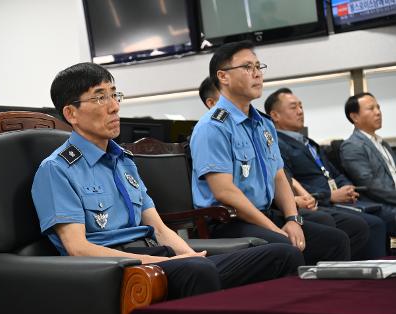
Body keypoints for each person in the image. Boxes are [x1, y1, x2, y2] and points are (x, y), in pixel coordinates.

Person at [31, 62, 303, 301]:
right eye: (100, 98)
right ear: (71, 114)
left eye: (114, 95)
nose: (114, 106)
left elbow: (159, 228)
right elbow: (77, 249)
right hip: (119, 269)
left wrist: (188, 255)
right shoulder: (57, 169)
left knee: (282, 254)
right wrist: (164, 262)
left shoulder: (123, 161)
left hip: (158, 257)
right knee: (198, 270)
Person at [190, 41, 350, 265]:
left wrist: (292, 219)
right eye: (247, 67)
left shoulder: (264, 124)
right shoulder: (213, 127)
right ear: (223, 77)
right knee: (287, 246)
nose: (257, 74)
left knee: (336, 240)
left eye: (258, 67)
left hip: (264, 214)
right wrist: (274, 229)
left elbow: (278, 175)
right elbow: (224, 192)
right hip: (228, 223)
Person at [264, 87, 388, 258]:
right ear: (275, 115)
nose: (300, 111)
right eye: (293, 107)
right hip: (316, 201)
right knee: (370, 223)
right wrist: (329, 195)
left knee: (374, 218)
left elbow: (334, 173)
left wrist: (347, 187)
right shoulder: (277, 145)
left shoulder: (309, 142)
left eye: (301, 106)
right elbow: (289, 182)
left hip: (337, 200)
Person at [340, 92, 396, 235]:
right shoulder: (352, 146)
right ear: (354, 117)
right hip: (381, 203)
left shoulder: (382, 142)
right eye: (371, 109)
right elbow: (370, 184)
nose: (378, 112)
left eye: (378, 107)